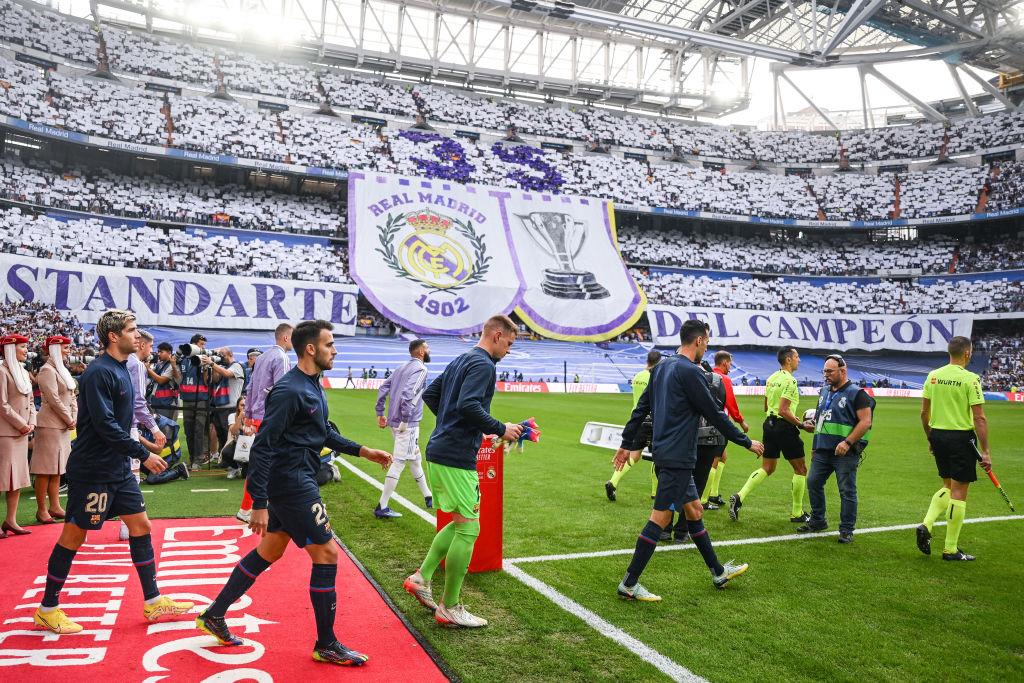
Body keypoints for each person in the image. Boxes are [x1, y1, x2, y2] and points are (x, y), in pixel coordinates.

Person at [194, 319, 391, 665]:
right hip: (292, 484)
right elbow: (263, 447)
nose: (335, 350)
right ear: (310, 349)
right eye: (329, 344)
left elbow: (323, 432)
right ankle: (326, 643)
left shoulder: (312, 384)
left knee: (270, 550)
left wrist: (363, 451)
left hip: (295, 479)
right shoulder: (289, 391)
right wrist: (258, 503)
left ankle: (215, 614)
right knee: (327, 553)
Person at [33, 309, 193, 635]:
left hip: (118, 468)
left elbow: (124, 419)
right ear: (113, 336)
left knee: (141, 525)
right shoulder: (98, 372)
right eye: (132, 330)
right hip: (94, 470)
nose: (138, 335)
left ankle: (153, 600)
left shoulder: (122, 367)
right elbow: (105, 425)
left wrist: (142, 443)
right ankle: (47, 609)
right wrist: (143, 454)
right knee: (74, 535)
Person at [613, 321, 764, 602]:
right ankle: (629, 583)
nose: (707, 346)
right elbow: (715, 414)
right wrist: (746, 441)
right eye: (707, 341)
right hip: (678, 457)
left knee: (694, 510)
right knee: (660, 517)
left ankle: (718, 572)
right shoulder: (691, 372)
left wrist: (625, 444)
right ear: (698, 341)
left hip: (665, 452)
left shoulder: (660, 368)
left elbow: (640, 410)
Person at [403, 315, 523, 628]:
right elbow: (469, 406)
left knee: (460, 523)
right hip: (455, 455)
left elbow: (432, 395)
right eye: (509, 343)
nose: (509, 350)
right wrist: (500, 428)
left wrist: (452, 424)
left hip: (440, 449)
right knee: (469, 528)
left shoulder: (461, 359)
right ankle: (450, 606)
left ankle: (421, 578)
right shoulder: (484, 364)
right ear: (497, 335)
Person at [916, 336, 992, 561]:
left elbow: (923, 413)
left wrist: (930, 438)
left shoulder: (933, 375)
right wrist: (986, 451)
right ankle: (950, 549)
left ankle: (927, 524)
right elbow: (979, 418)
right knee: (959, 492)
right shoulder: (971, 379)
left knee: (948, 485)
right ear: (967, 353)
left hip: (938, 435)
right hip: (961, 438)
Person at [729, 346, 813, 523]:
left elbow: (767, 407)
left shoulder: (771, 378)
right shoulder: (790, 381)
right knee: (801, 469)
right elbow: (783, 410)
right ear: (788, 360)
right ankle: (797, 513)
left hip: (769, 425)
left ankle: (739, 496)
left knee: (767, 468)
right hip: (784, 427)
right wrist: (800, 424)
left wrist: (790, 416)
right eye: (797, 356)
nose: (799, 360)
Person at [797, 355, 875, 543]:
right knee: (813, 482)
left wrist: (847, 442)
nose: (826, 375)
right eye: (824, 371)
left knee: (847, 490)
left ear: (843, 371)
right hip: (822, 450)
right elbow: (820, 419)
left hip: (845, 452)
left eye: (830, 371)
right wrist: (815, 446)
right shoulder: (824, 391)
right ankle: (818, 520)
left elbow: (866, 422)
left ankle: (846, 530)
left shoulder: (858, 394)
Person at [238, 323, 293, 523]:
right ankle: (273, 509)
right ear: (285, 338)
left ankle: (246, 508)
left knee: (259, 464)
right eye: (293, 337)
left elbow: (250, 388)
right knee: (278, 464)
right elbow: (282, 391)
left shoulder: (261, 358)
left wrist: (249, 416)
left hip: (258, 417)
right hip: (271, 418)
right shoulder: (282, 358)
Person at [373, 338, 433, 518]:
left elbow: (383, 387)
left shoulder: (401, 368)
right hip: (407, 424)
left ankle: (428, 496)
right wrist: (406, 419)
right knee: (399, 462)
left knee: (415, 458)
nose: (429, 351)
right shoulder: (421, 369)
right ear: (421, 351)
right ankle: (382, 506)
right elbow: (409, 394)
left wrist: (380, 412)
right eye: (427, 348)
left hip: (394, 422)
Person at [605, 351, 662, 505]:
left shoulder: (637, 377)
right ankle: (655, 492)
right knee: (658, 457)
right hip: (653, 420)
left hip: (637, 420)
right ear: (658, 362)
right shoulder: (655, 376)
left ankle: (613, 481)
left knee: (634, 455)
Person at [31, 336, 77, 525]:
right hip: (50, 425)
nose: (69, 351)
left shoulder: (61, 369)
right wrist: (69, 418)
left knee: (58, 468)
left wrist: (74, 416)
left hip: (63, 425)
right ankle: (42, 510)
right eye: (65, 348)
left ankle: (55, 506)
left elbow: (72, 396)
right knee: (45, 470)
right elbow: (53, 400)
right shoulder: (47, 370)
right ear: (56, 349)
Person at [125, 329, 166, 541]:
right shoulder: (137, 365)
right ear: (142, 345)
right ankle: (130, 528)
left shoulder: (118, 362)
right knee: (132, 477)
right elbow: (139, 402)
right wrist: (155, 429)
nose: (152, 350)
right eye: (151, 346)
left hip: (114, 425)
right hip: (128, 426)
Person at [701, 351, 748, 509]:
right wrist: (741, 422)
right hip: (718, 425)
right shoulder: (723, 379)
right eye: (730, 363)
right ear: (724, 362)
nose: (731, 366)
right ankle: (704, 500)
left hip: (703, 423)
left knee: (722, 457)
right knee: (714, 460)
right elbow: (731, 403)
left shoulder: (706, 375)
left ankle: (713, 495)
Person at [0, 333, 35, 536]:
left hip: (21, 432)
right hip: (6, 433)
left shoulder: (22, 371)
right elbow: (2, 405)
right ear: (11, 349)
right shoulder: (1, 371)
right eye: (22, 347)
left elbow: (30, 401)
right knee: (2, 478)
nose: (26, 350)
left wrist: (31, 422)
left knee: (16, 479)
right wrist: (22, 424)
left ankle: (11, 520)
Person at [179, 333, 213, 469]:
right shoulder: (183, 359)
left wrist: (205, 368)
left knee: (199, 430)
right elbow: (178, 378)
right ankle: (192, 458)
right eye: (201, 344)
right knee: (188, 431)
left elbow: (207, 381)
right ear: (193, 345)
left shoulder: (203, 359)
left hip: (201, 399)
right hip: (186, 399)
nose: (203, 347)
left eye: (204, 345)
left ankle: (198, 460)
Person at [209, 348, 245, 458]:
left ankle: (233, 459)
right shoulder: (222, 367)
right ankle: (223, 458)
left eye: (222, 355)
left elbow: (227, 374)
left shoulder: (236, 366)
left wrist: (212, 363)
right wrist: (213, 364)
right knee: (221, 434)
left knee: (229, 434)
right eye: (219, 355)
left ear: (230, 354)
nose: (221, 357)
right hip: (219, 406)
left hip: (231, 407)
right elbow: (215, 379)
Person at [148, 341, 181, 422]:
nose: (158, 354)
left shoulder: (172, 365)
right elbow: (151, 376)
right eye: (158, 351)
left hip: (168, 403)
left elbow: (161, 380)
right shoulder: (159, 364)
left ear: (169, 352)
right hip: (156, 401)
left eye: (161, 352)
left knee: (166, 426)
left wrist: (148, 369)